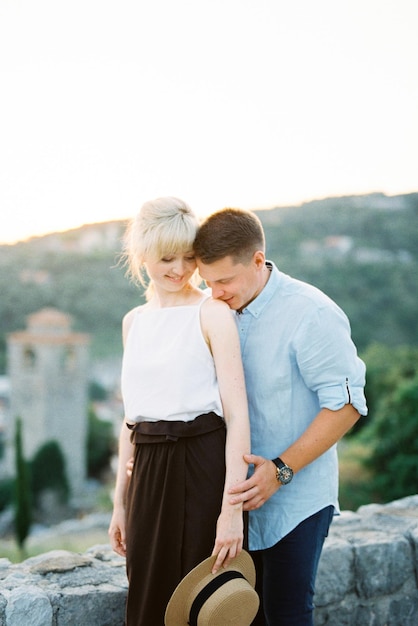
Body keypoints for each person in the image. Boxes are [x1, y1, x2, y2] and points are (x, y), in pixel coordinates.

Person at [193, 207, 368, 626]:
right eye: (207, 282)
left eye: (224, 281)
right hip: (232, 503)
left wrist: (280, 471)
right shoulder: (214, 311)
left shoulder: (312, 313)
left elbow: (346, 406)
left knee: (285, 615)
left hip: (296, 500)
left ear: (257, 261)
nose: (214, 293)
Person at [108, 197, 250, 626]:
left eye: (189, 257)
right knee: (150, 600)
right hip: (147, 476)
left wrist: (231, 510)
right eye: (167, 258)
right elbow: (131, 421)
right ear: (142, 255)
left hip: (202, 467)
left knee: (204, 605)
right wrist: (119, 504)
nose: (180, 269)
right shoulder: (133, 322)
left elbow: (238, 417)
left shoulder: (213, 313)